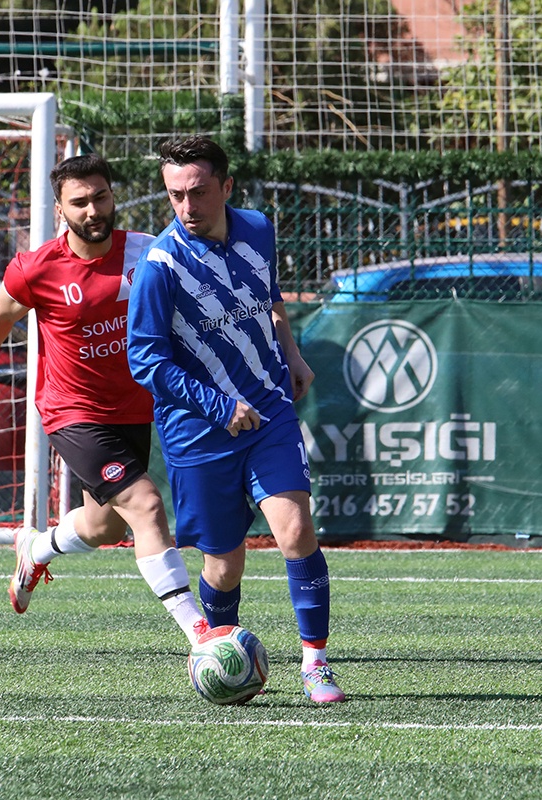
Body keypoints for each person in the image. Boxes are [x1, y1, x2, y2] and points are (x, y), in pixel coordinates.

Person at [126, 136, 346, 703]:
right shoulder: (159, 268)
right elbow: (145, 361)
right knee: (224, 567)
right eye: (175, 195)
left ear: (226, 186)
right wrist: (220, 406)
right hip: (199, 432)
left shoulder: (258, 228)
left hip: (268, 408)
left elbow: (270, 298)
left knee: (295, 531)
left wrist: (292, 354)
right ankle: (222, 652)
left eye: (198, 192)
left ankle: (315, 663)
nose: (187, 206)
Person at [0, 153, 208, 644]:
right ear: (60, 210)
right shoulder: (37, 268)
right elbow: (0, 317)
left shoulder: (147, 252)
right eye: (79, 202)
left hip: (133, 409)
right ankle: (201, 633)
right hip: (72, 412)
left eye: (100, 197)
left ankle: (36, 550)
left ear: (113, 197)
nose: (93, 210)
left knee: (104, 528)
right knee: (146, 505)